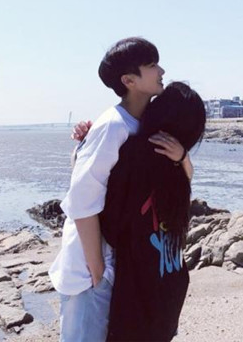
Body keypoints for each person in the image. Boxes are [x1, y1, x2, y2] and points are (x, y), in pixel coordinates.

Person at [49, 37, 193, 342]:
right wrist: (97, 269)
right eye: (152, 65)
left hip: (121, 262)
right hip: (91, 266)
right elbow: (81, 201)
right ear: (129, 80)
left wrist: (182, 156)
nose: (161, 71)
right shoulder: (113, 126)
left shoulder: (144, 123)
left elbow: (181, 180)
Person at [100, 82, 206, 341]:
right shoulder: (177, 166)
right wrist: (183, 157)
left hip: (139, 297)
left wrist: (82, 150)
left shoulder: (132, 155)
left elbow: (111, 228)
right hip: (171, 285)